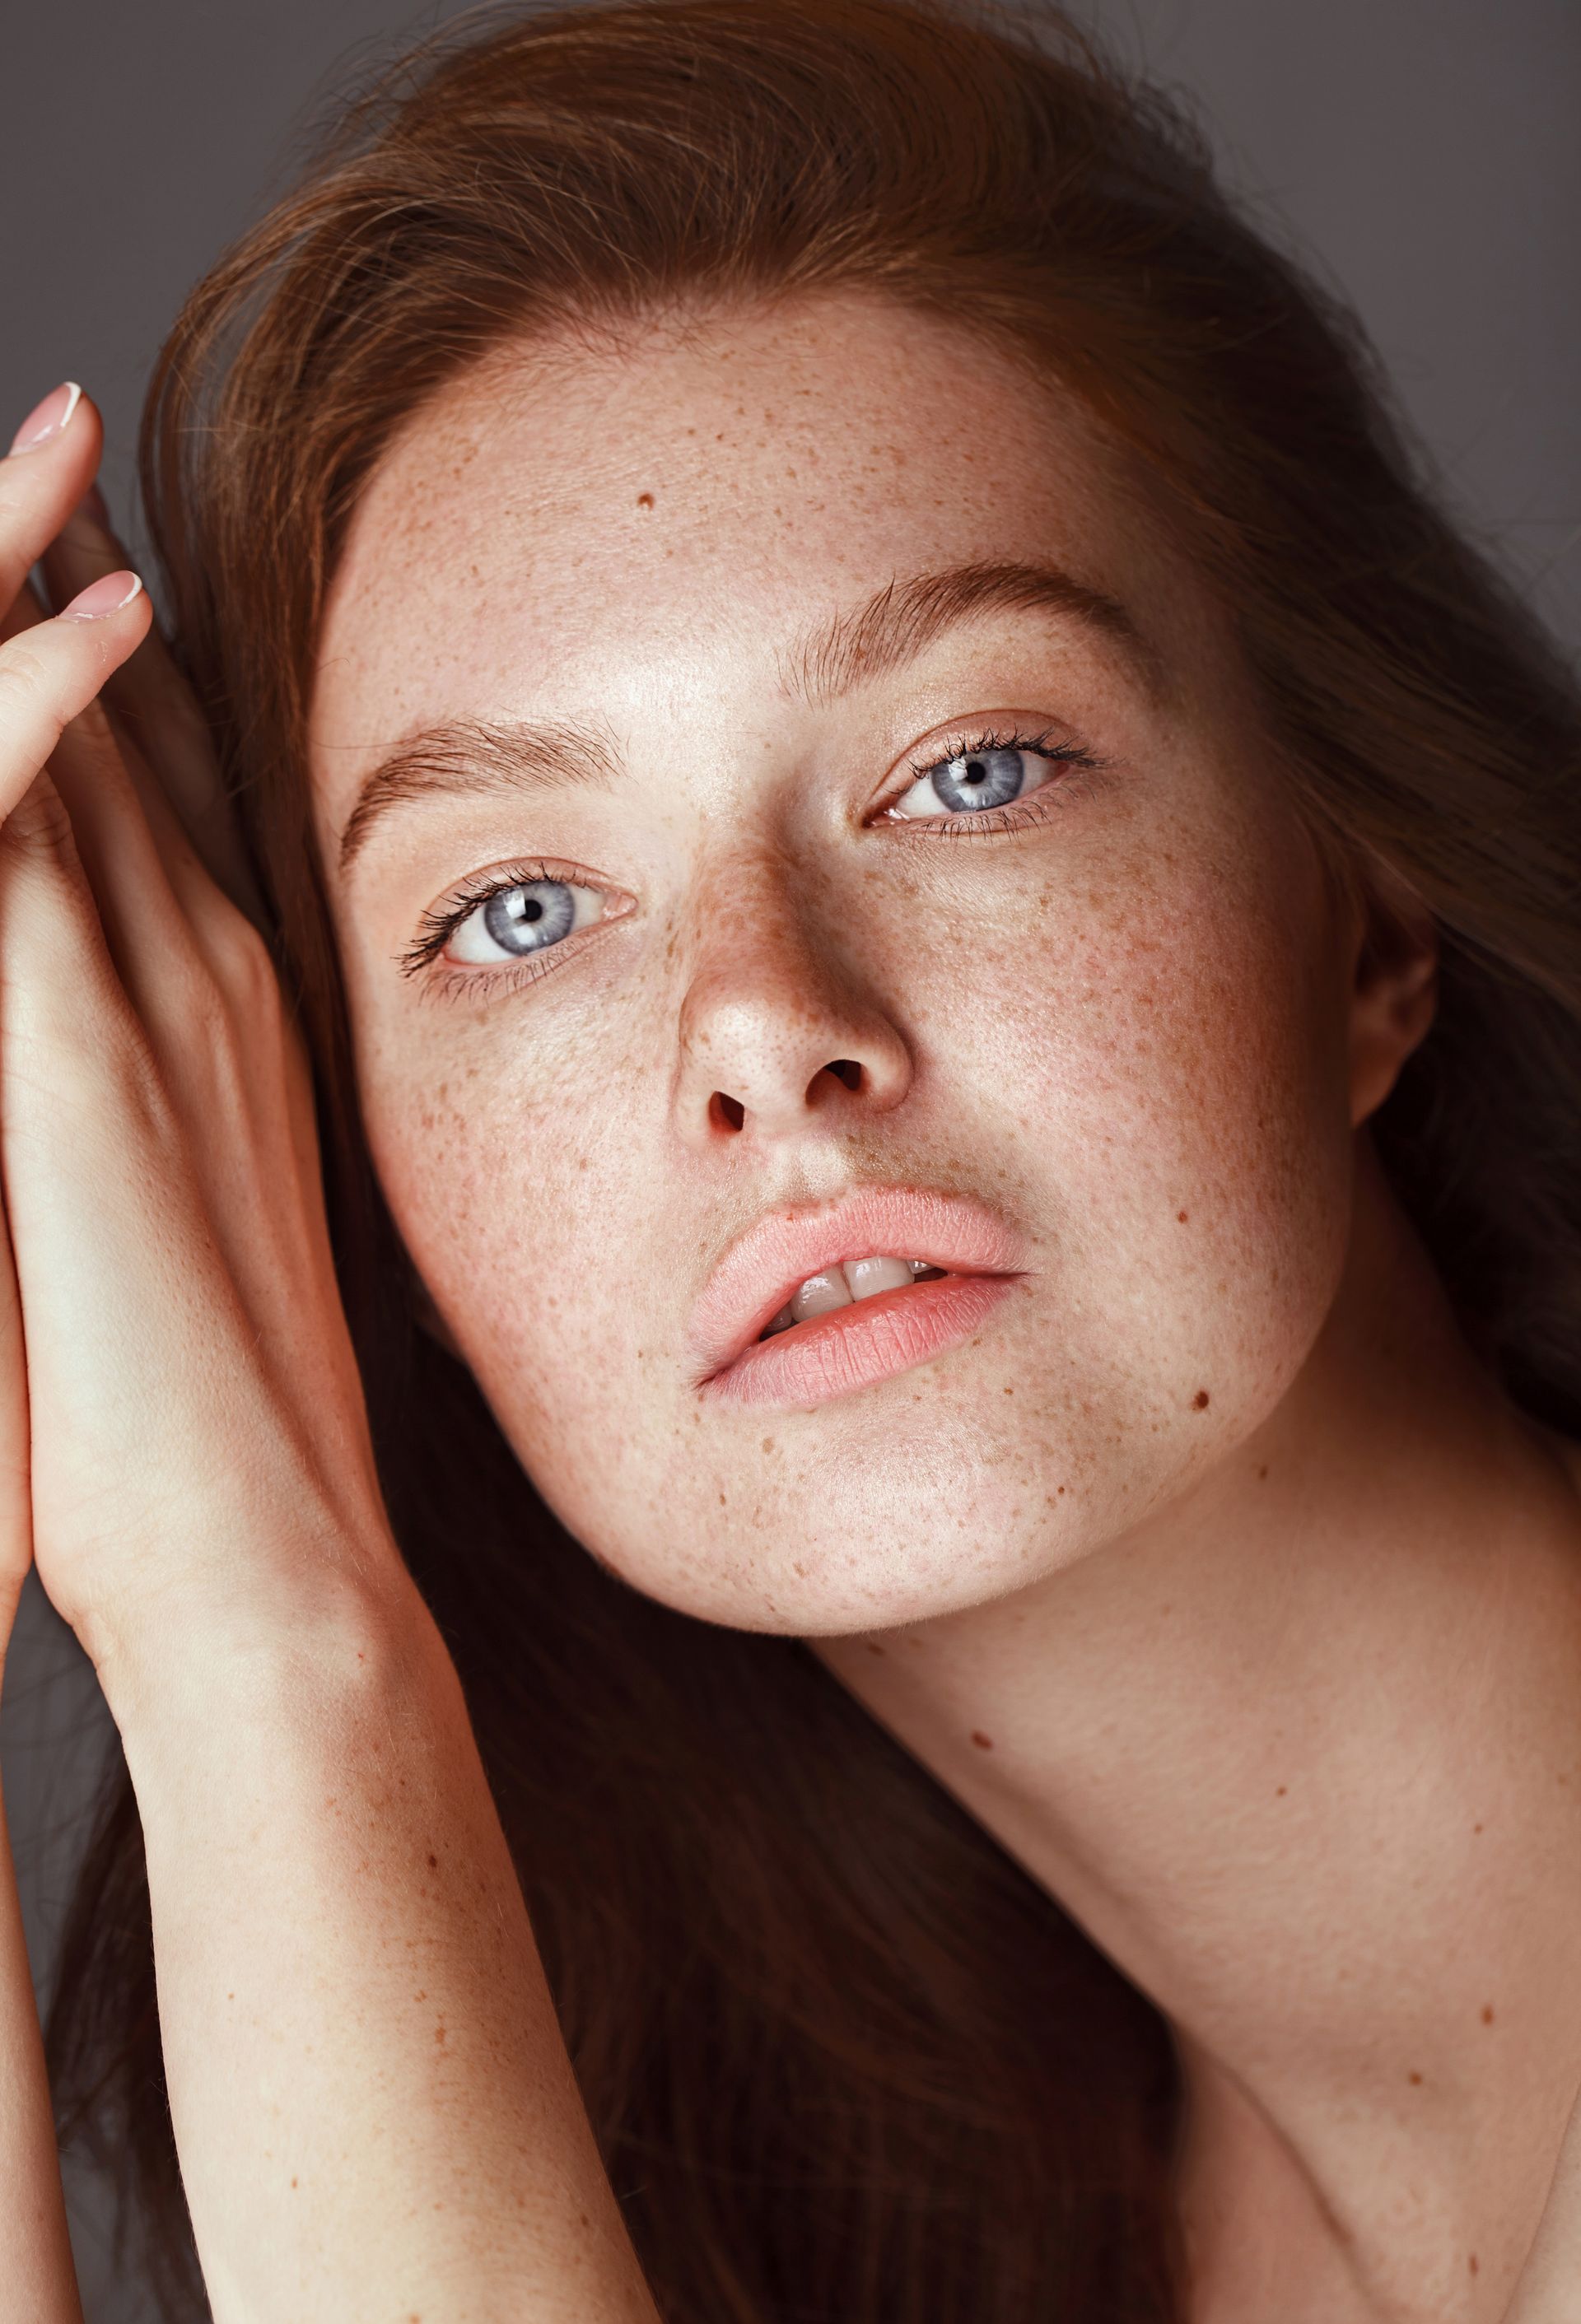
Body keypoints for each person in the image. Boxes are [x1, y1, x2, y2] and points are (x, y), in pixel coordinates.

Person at [1, 0, 1579, 2316]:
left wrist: (261, 1632)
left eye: (969, 771)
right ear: (373, 1183)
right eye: (519, 912)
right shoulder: (900, 2199)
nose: (763, 1026)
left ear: (1363, 909)